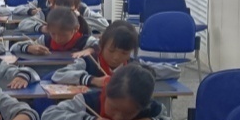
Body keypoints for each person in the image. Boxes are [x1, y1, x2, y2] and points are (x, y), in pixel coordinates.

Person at [42, 64, 173, 120]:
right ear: (106, 92)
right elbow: (48, 115)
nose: (118, 117)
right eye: (114, 108)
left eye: (128, 113)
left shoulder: (149, 108)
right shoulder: (88, 101)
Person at [52, 21, 181, 86]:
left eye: (124, 53)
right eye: (111, 51)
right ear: (101, 45)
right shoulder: (88, 62)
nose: (116, 57)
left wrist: (146, 72)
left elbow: (174, 71)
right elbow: (58, 75)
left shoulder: (133, 66)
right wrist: (93, 80)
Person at [11, 6, 96, 55]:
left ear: (76, 29)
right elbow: (13, 48)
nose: (57, 39)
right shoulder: (46, 40)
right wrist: (29, 48)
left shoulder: (85, 41)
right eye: (53, 34)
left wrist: (91, 50)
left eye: (63, 35)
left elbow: (100, 46)